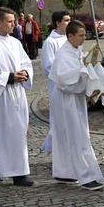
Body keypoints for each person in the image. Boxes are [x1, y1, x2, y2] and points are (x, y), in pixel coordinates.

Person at [0, 7, 35, 186]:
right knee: (10, 132)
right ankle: (18, 174)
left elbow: (26, 62)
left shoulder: (15, 42)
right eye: (11, 21)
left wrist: (25, 73)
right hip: (3, 95)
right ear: (0, 23)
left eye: (14, 21)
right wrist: (10, 77)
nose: (15, 24)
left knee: (16, 130)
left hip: (18, 93)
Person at [48, 20, 104, 191]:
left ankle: (65, 171)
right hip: (67, 99)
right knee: (75, 136)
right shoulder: (63, 55)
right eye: (80, 36)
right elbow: (65, 80)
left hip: (75, 99)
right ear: (70, 36)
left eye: (84, 35)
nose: (83, 39)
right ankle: (85, 176)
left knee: (70, 135)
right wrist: (83, 71)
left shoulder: (75, 50)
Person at [39, 11, 71, 154]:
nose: (69, 22)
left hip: (72, 85)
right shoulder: (50, 42)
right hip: (58, 86)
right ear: (58, 23)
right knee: (59, 119)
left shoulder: (69, 39)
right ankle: (58, 149)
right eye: (66, 20)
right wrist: (66, 72)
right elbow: (47, 67)